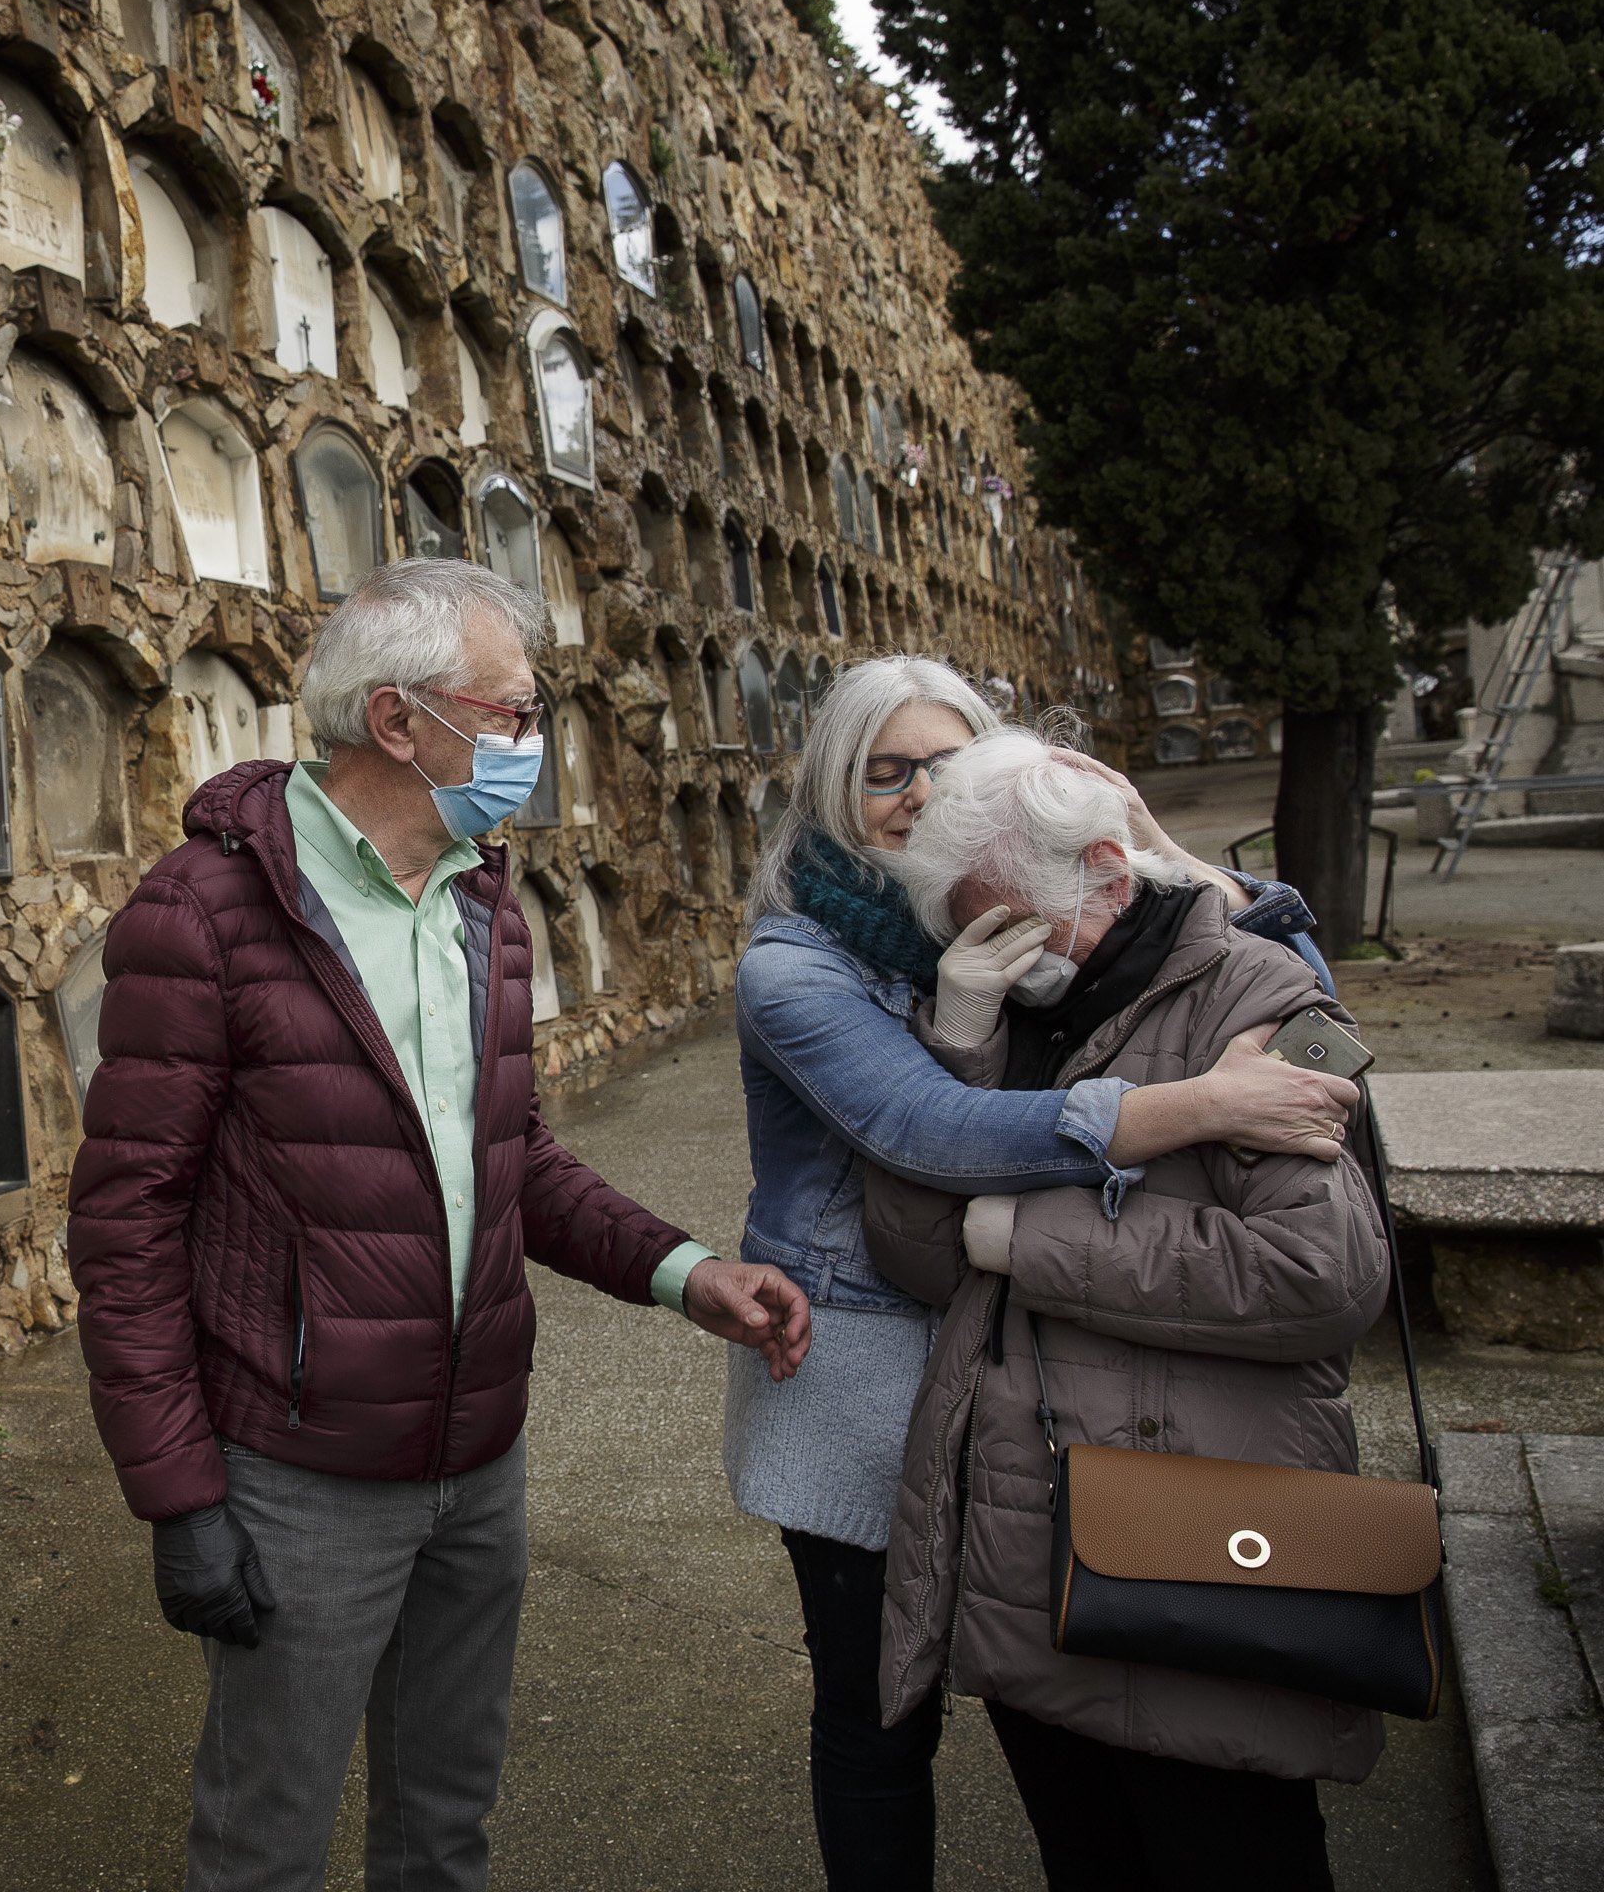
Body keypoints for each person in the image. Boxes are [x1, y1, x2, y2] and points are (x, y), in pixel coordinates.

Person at [67, 559, 813, 1892]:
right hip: (300, 1471)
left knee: (445, 1825)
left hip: (478, 1456)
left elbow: (513, 1154)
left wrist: (683, 1272)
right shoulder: (205, 912)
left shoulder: (483, 901)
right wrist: (179, 1497)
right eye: (515, 712)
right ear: (402, 721)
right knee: (265, 1844)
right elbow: (127, 1226)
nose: (533, 743)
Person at [724, 657, 1361, 1892]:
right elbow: (928, 1139)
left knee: (1099, 1714)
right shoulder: (809, 964)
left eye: (947, 766)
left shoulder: (1033, 916)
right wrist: (1188, 1101)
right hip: (857, 1351)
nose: (916, 795)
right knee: (879, 1707)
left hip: (1031, 1372)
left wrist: (1167, 853)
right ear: (832, 789)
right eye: (884, 770)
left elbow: (1304, 1023)